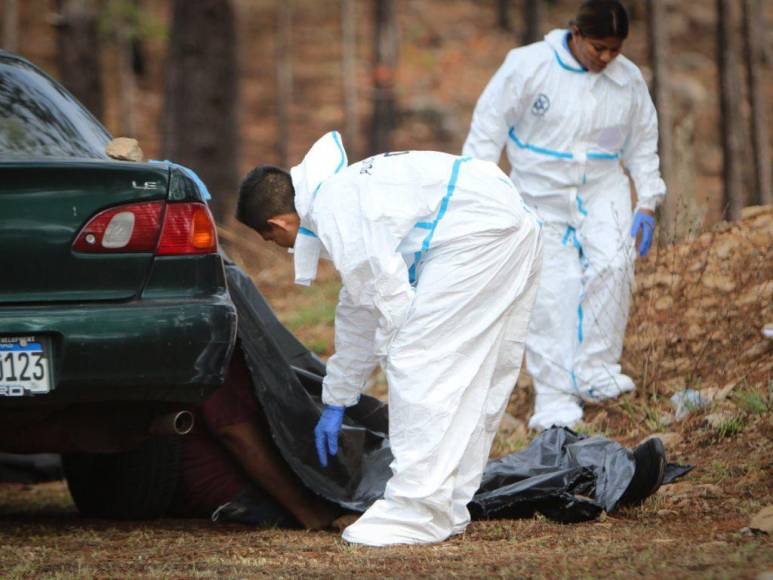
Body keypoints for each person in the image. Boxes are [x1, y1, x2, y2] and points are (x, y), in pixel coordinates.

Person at [235, 131, 543, 546]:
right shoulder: (344, 195)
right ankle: (447, 503)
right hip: (507, 223)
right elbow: (358, 309)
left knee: (418, 362)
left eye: (271, 240)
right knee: (474, 373)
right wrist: (337, 399)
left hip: (479, 235)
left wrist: (400, 354)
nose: (280, 248)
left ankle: (415, 509)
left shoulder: (335, 208)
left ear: (277, 223)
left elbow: (383, 299)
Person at [463, 0, 666, 431]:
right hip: (539, 191)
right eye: (599, 48)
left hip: (601, 186)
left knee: (614, 264)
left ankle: (596, 370)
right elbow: (487, 130)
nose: (607, 57)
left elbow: (642, 143)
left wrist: (647, 199)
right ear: (575, 33)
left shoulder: (627, 81)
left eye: (616, 49)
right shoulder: (528, 67)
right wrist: (480, 195)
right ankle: (554, 394)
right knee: (554, 290)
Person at [168, 343, 339, 530]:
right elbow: (236, 435)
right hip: (227, 492)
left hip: (235, 485)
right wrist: (307, 511)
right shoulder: (213, 349)